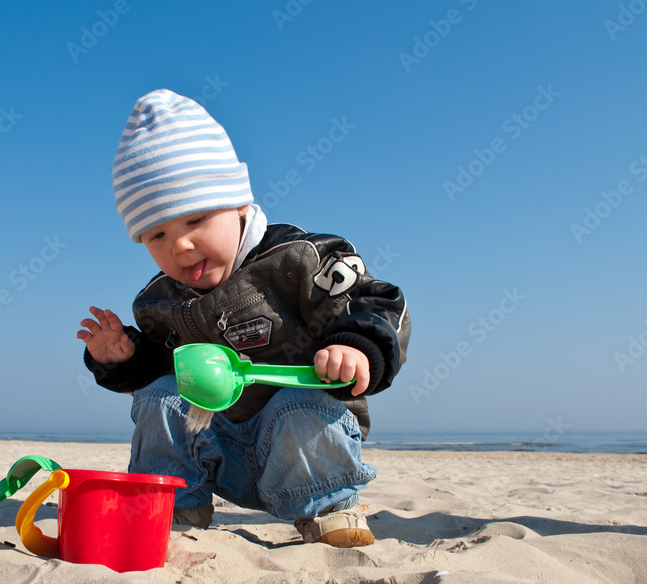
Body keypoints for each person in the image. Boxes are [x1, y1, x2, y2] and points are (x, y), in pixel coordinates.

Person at [77, 89, 410, 547]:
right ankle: (174, 504)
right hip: (222, 450)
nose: (179, 246)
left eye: (195, 220)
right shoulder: (160, 302)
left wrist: (356, 345)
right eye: (157, 234)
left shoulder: (297, 259)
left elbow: (377, 300)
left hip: (306, 444)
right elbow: (165, 374)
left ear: (237, 204)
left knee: (294, 408)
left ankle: (329, 508)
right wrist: (124, 359)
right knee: (160, 395)